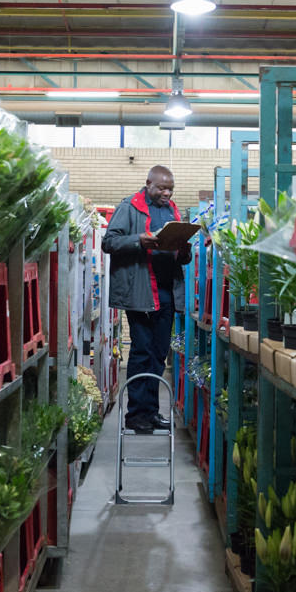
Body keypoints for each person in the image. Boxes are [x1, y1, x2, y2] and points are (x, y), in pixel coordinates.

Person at [102, 166, 192, 433]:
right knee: (141, 351)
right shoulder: (130, 207)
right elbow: (109, 242)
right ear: (148, 184)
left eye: (170, 189)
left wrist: (183, 250)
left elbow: (180, 257)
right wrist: (138, 241)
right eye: (162, 188)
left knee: (158, 353)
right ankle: (135, 415)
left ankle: (151, 412)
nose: (166, 193)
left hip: (167, 292)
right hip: (141, 291)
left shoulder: (173, 210)